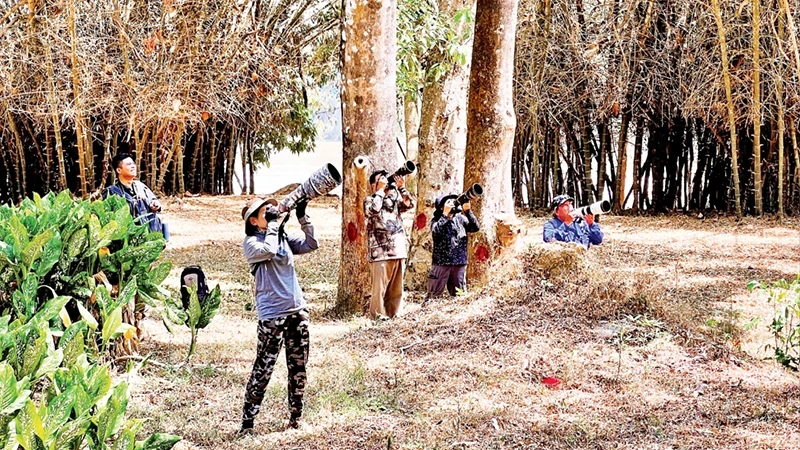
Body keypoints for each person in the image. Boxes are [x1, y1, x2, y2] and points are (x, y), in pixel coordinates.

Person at [239, 196, 317, 433]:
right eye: (265, 212)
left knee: (298, 367)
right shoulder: (251, 243)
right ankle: (248, 423)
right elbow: (269, 251)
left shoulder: (281, 236)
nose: (272, 212)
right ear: (254, 221)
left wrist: (303, 217)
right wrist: (274, 224)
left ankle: (296, 417)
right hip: (272, 315)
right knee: (264, 368)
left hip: (297, 310)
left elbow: (311, 244)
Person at [364, 168, 416, 319]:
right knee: (378, 289)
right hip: (380, 252)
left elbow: (409, 204)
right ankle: (377, 317)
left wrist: (401, 187)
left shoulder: (394, 201)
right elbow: (373, 210)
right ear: (374, 184)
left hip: (398, 250)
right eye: (381, 180)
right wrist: (380, 191)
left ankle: (394, 315)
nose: (385, 182)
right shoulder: (370, 199)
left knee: (396, 289)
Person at [427, 193, 480, 298]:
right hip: (441, 263)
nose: (453, 204)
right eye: (448, 202)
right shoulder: (437, 220)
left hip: (459, 262)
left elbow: (475, 227)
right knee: (433, 296)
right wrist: (445, 215)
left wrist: (468, 211)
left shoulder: (461, 219)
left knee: (460, 297)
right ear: (441, 207)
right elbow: (436, 232)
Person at [103, 153, 164, 235]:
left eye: (133, 164)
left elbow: (154, 201)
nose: (133, 166)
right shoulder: (111, 192)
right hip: (128, 239)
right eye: (128, 164)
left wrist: (156, 204)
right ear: (119, 170)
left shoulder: (140, 186)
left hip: (150, 237)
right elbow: (106, 218)